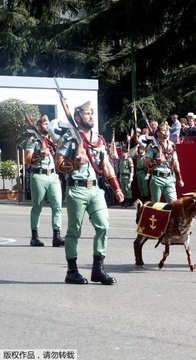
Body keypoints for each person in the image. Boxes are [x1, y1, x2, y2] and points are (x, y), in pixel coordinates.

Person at [55, 101, 124, 285]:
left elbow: (106, 165)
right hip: (76, 188)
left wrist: (116, 186)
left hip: (95, 189)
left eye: (92, 113)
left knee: (103, 225)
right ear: (77, 117)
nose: (91, 116)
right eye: (87, 114)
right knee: (74, 231)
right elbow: (59, 165)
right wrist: (75, 163)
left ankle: (98, 269)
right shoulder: (69, 138)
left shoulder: (98, 139)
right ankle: (72, 271)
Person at [20, 115, 64, 247]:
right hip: (39, 175)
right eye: (45, 124)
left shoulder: (53, 139)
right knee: (37, 207)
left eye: (48, 124)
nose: (47, 126)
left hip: (53, 175)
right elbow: (28, 160)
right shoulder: (32, 139)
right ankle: (34, 237)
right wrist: (40, 155)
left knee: (57, 206)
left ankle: (57, 236)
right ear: (39, 125)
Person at [145, 120, 184, 203]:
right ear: (158, 133)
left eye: (167, 130)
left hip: (170, 177)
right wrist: (157, 161)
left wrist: (179, 178)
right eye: (163, 130)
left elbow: (175, 162)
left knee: (174, 203)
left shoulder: (172, 145)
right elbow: (147, 164)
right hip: (157, 178)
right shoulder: (153, 145)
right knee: (155, 204)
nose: (166, 132)